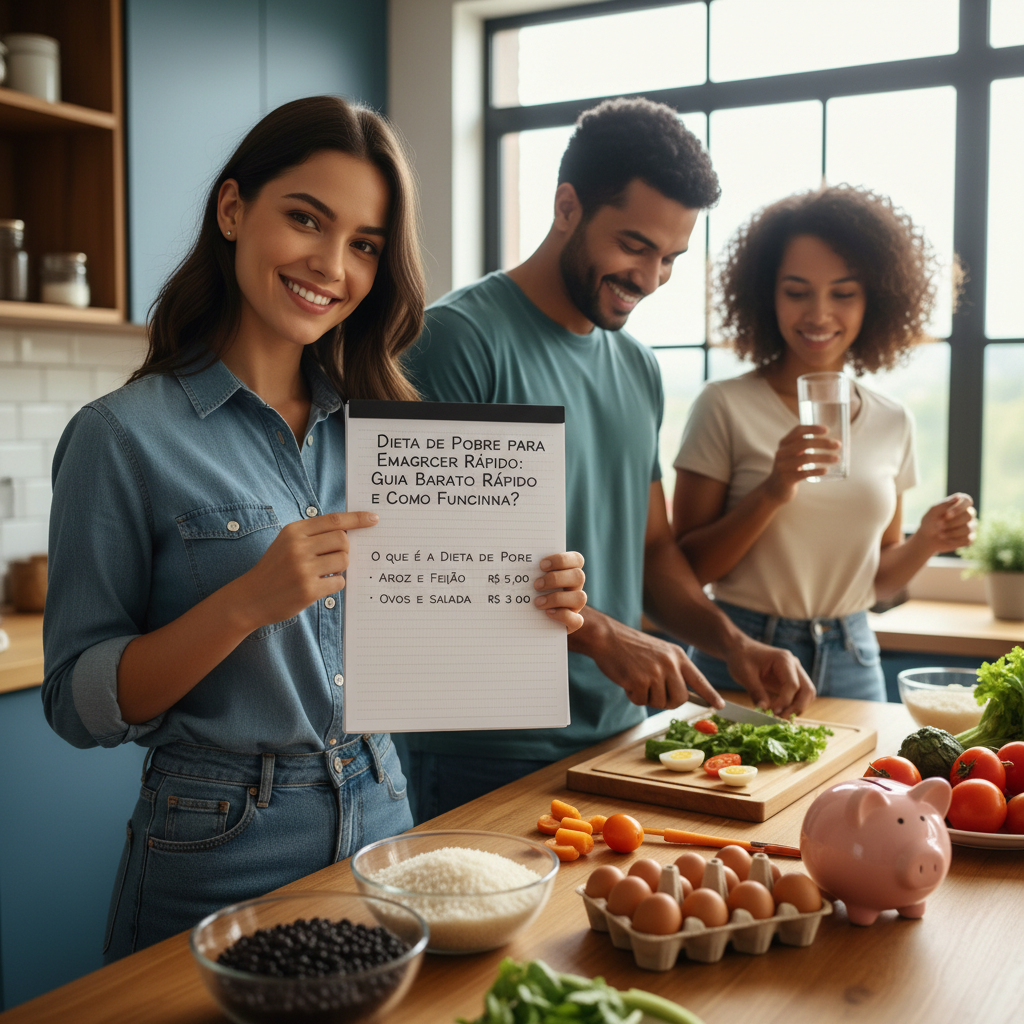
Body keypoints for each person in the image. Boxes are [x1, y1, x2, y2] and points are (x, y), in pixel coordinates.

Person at [40, 96, 586, 961]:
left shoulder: (390, 434)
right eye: (306, 218)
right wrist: (244, 603)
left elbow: (427, 650)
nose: (332, 265)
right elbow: (77, 704)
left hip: (385, 814)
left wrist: (526, 603)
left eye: (365, 244)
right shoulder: (121, 436)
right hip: (217, 843)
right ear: (232, 211)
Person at [398, 97, 815, 824]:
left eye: (671, 259)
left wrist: (732, 642)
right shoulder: (459, 343)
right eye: (634, 246)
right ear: (568, 206)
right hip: (486, 749)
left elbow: (652, 549)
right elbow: (434, 573)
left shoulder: (637, 366)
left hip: (619, 734)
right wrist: (604, 636)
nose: (650, 277)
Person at [672, 186, 976, 700]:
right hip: (742, 658)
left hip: (854, 654)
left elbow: (878, 584)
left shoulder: (892, 420)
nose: (818, 314)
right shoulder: (723, 406)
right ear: (767, 295)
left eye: (843, 293)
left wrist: (927, 541)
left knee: (867, 785)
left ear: (874, 300)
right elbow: (688, 570)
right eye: (797, 291)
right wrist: (772, 490)